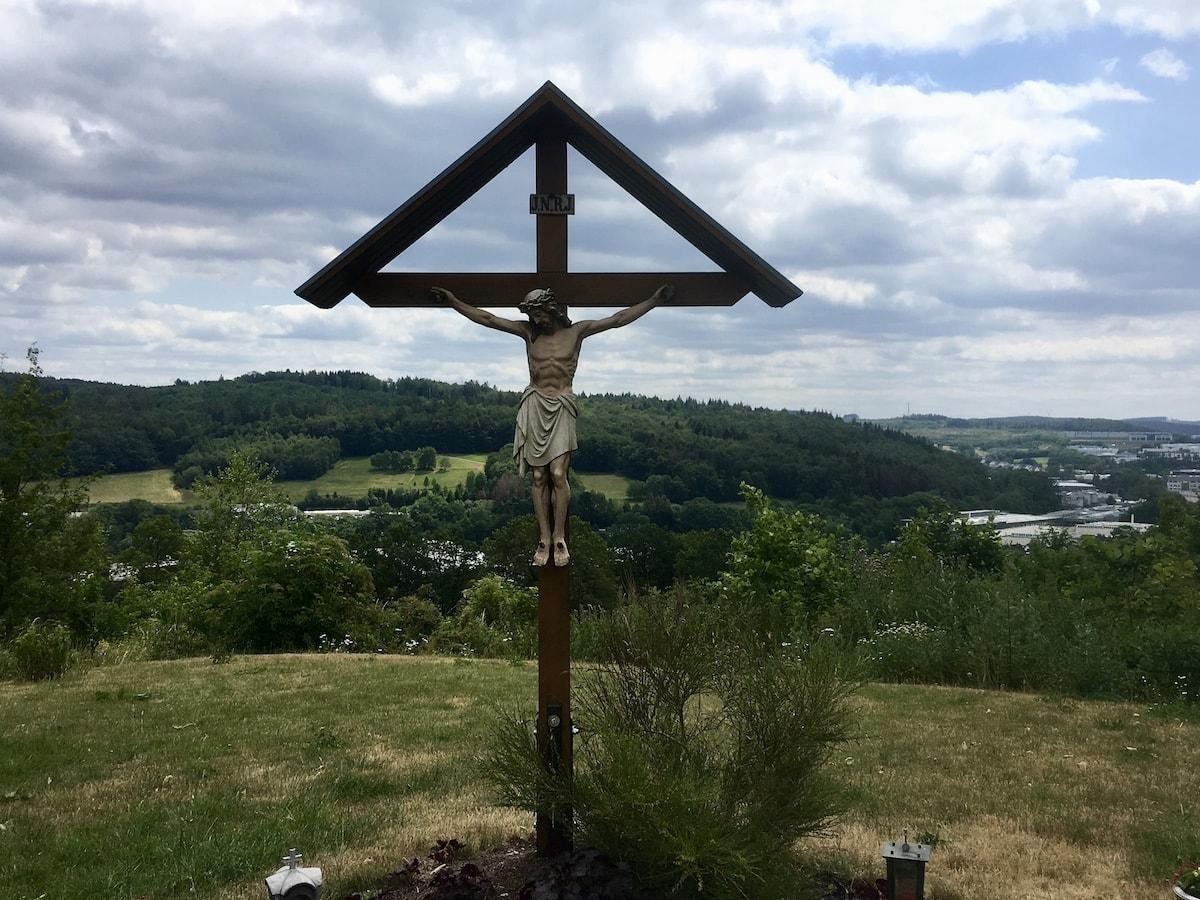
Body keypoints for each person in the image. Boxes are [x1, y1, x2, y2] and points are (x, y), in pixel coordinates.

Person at [430, 283, 675, 566]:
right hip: (535, 403)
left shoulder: (577, 332)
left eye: (539, 314)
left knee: (558, 474)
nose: (536, 320)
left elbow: (618, 319)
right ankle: (544, 538)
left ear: (551, 308)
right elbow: (488, 319)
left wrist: (654, 300)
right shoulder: (528, 333)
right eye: (532, 316)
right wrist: (453, 302)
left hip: (560, 405)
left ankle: (560, 537)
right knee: (538, 477)